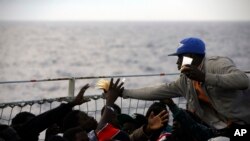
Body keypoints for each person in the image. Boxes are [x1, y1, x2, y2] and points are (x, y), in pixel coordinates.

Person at [121, 37, 250, 138]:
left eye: (180, 58)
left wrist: (205, 77)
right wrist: (124, 92)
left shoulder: (216, 64)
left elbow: (243, 80)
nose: (177, 62)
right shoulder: (185, 81)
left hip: (243, 125)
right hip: (223, 129)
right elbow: (156, 91)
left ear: (192, 57)